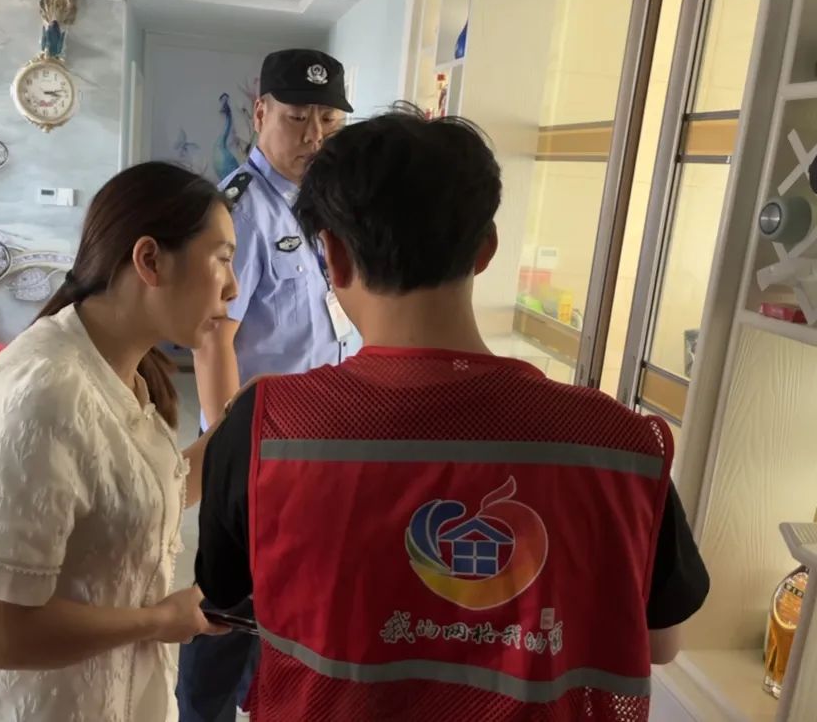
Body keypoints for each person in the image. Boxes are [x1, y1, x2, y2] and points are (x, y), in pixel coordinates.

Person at [194, 107, 711, 721]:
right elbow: (661, 642)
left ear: (332, 257)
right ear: (485, 250)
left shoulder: (266, 428)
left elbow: (227, 599)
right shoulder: (619, 445)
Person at [0, 162, 240, 722]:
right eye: (222, 258)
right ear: (150, 260)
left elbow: (140, 497)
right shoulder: (44, 392)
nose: (233, 287)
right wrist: (159, 620)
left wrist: (242, 424)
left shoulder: (124, 371)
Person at [179, 48, 355, 720]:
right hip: (258, 449)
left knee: (287, 603)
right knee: (229, 611)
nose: (314, 136)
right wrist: (230, 454)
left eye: (329, 121)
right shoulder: (240, 211)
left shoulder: (325, 205)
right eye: (297, 118)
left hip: (315, 445)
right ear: (259, 114)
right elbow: (212, 338)